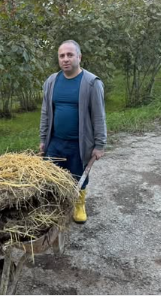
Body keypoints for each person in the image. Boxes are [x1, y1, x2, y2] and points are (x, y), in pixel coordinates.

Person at [39, 40, 107, 224]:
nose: (66, 59)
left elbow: (99, 116)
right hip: (55, 141)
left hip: (79, 143)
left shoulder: (91, 83)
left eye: (70, 55)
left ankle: (79, 204)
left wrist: (100, 145)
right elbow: (45, 112)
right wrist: (43, 139)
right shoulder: (52, 81)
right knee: (51, 176)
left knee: (78, 175)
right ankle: (55, 206)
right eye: (62, 56)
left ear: (79, 57)